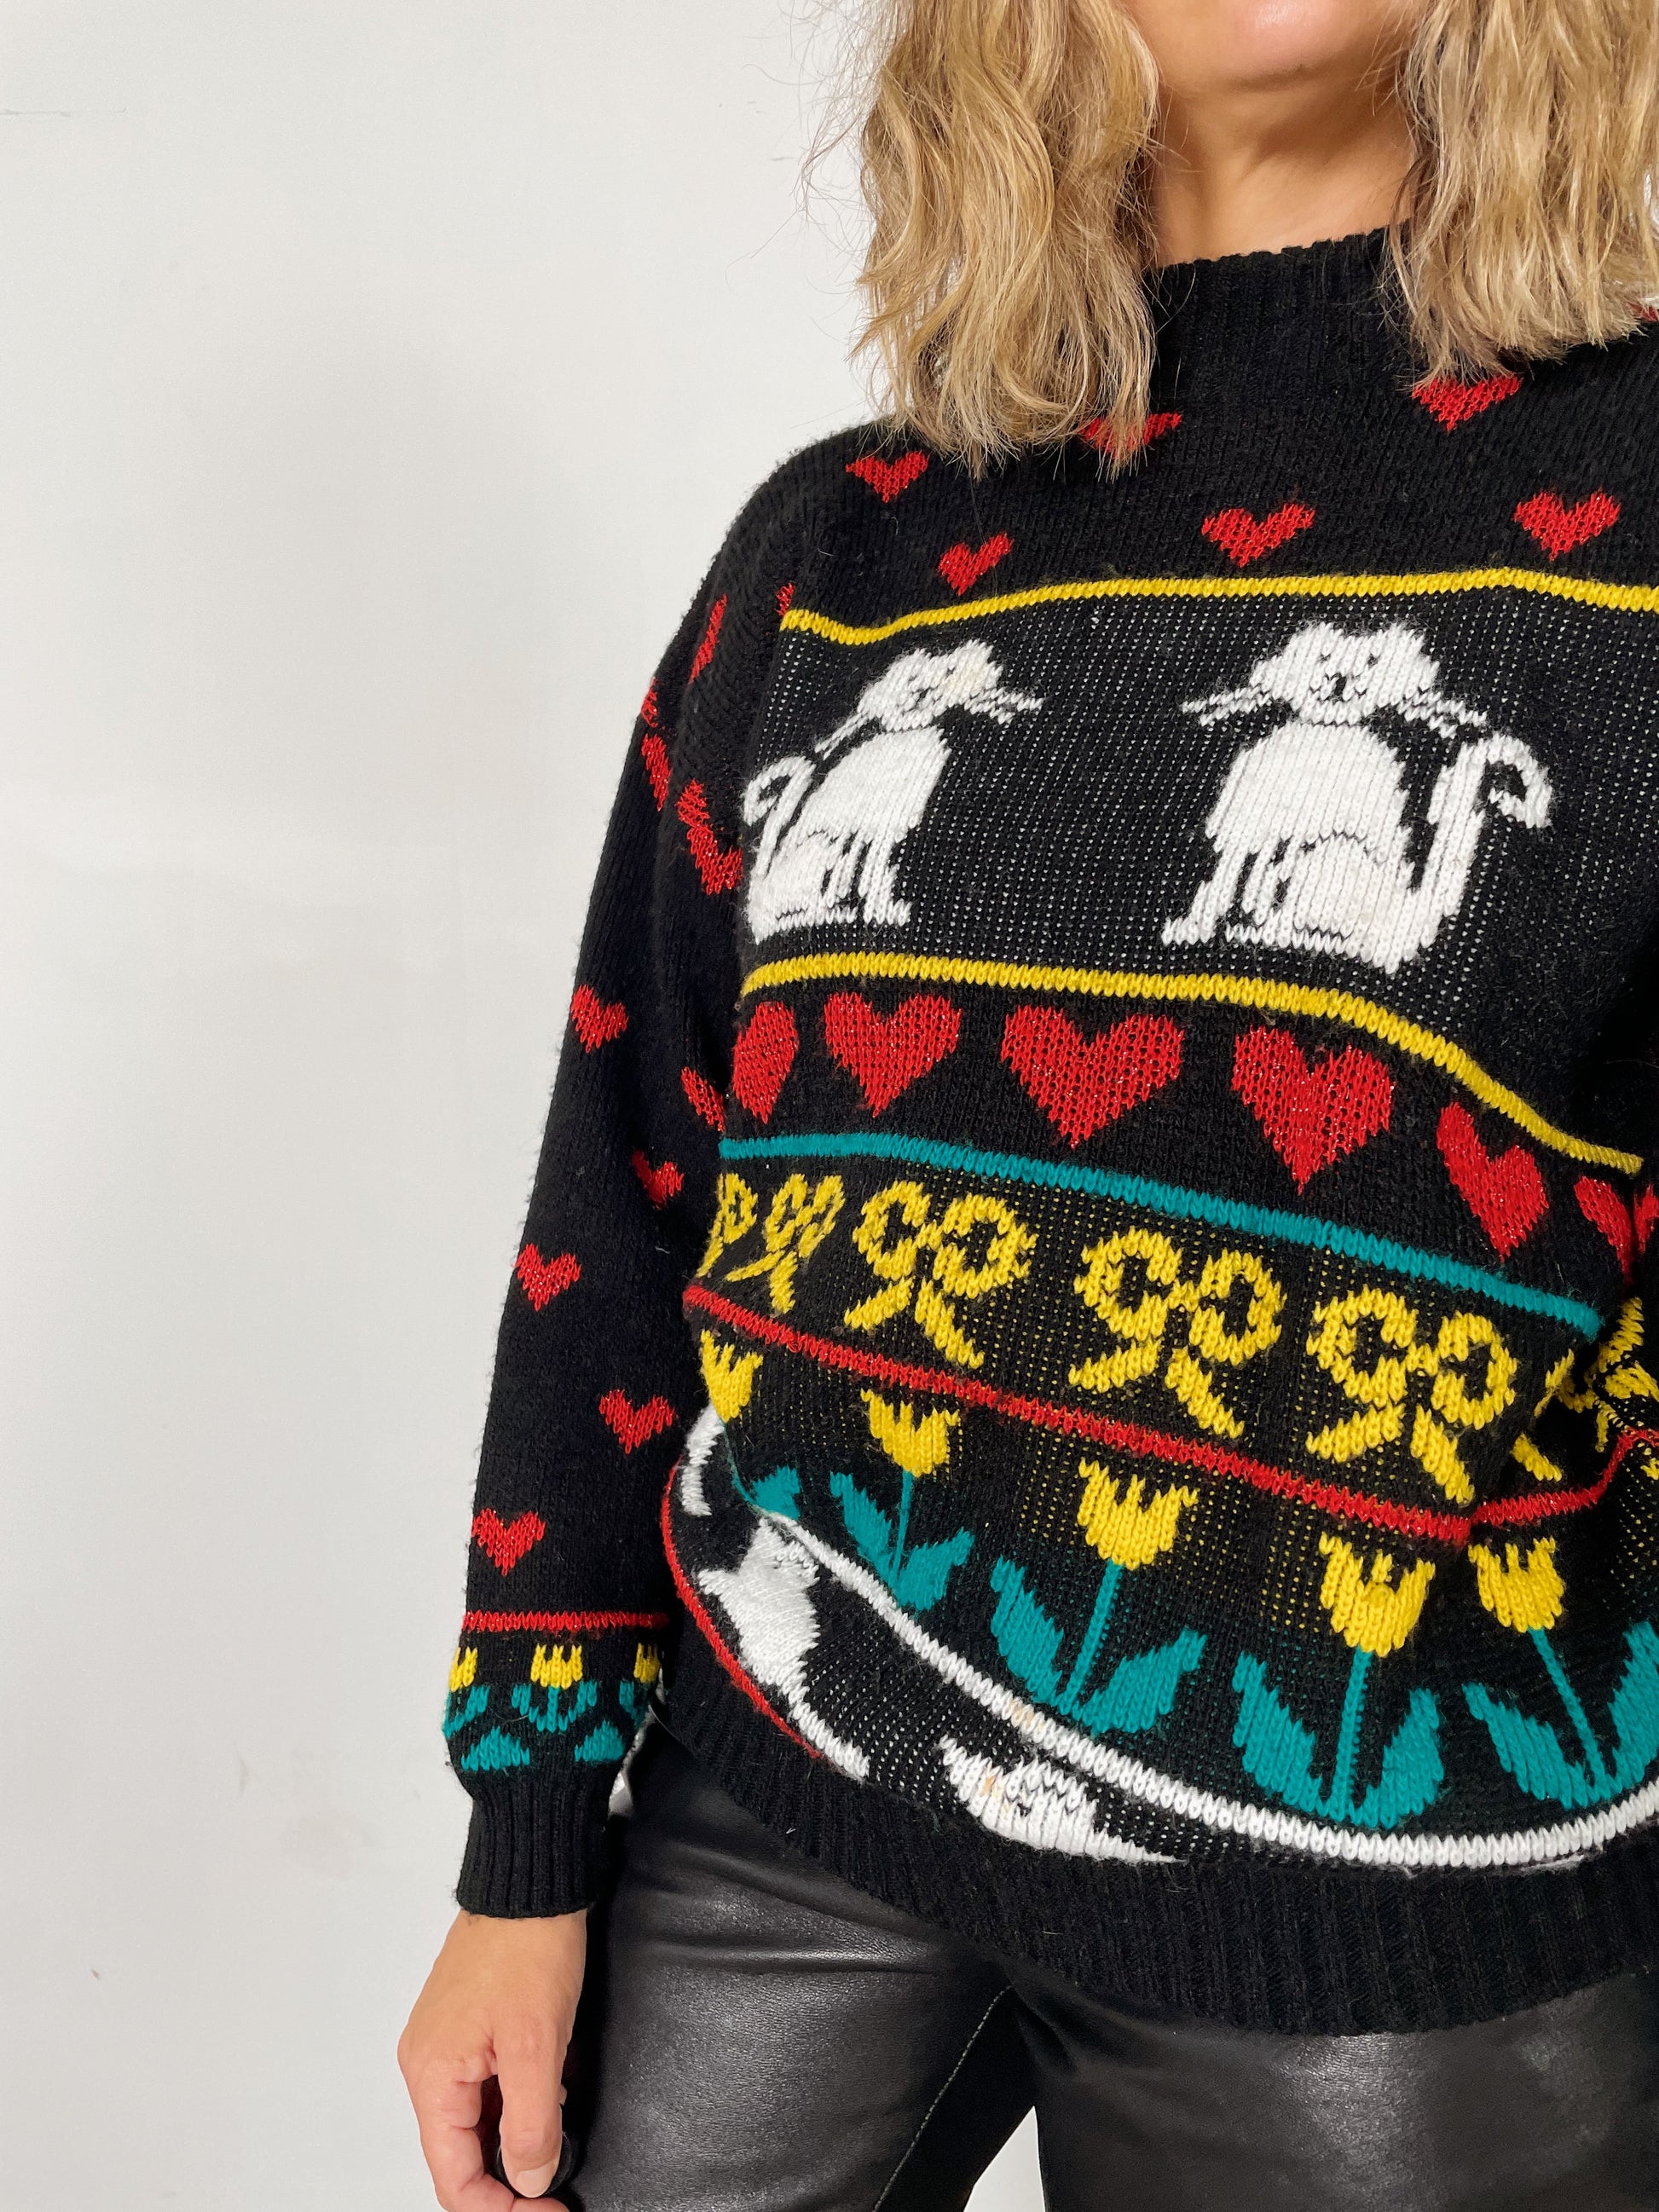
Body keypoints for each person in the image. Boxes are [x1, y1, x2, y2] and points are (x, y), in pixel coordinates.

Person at [399, 2, 1659, 2203]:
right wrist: (523, 1837)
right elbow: (628, 1190)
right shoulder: (838, 547)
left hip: (1385, 1862)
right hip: (777, 1772)